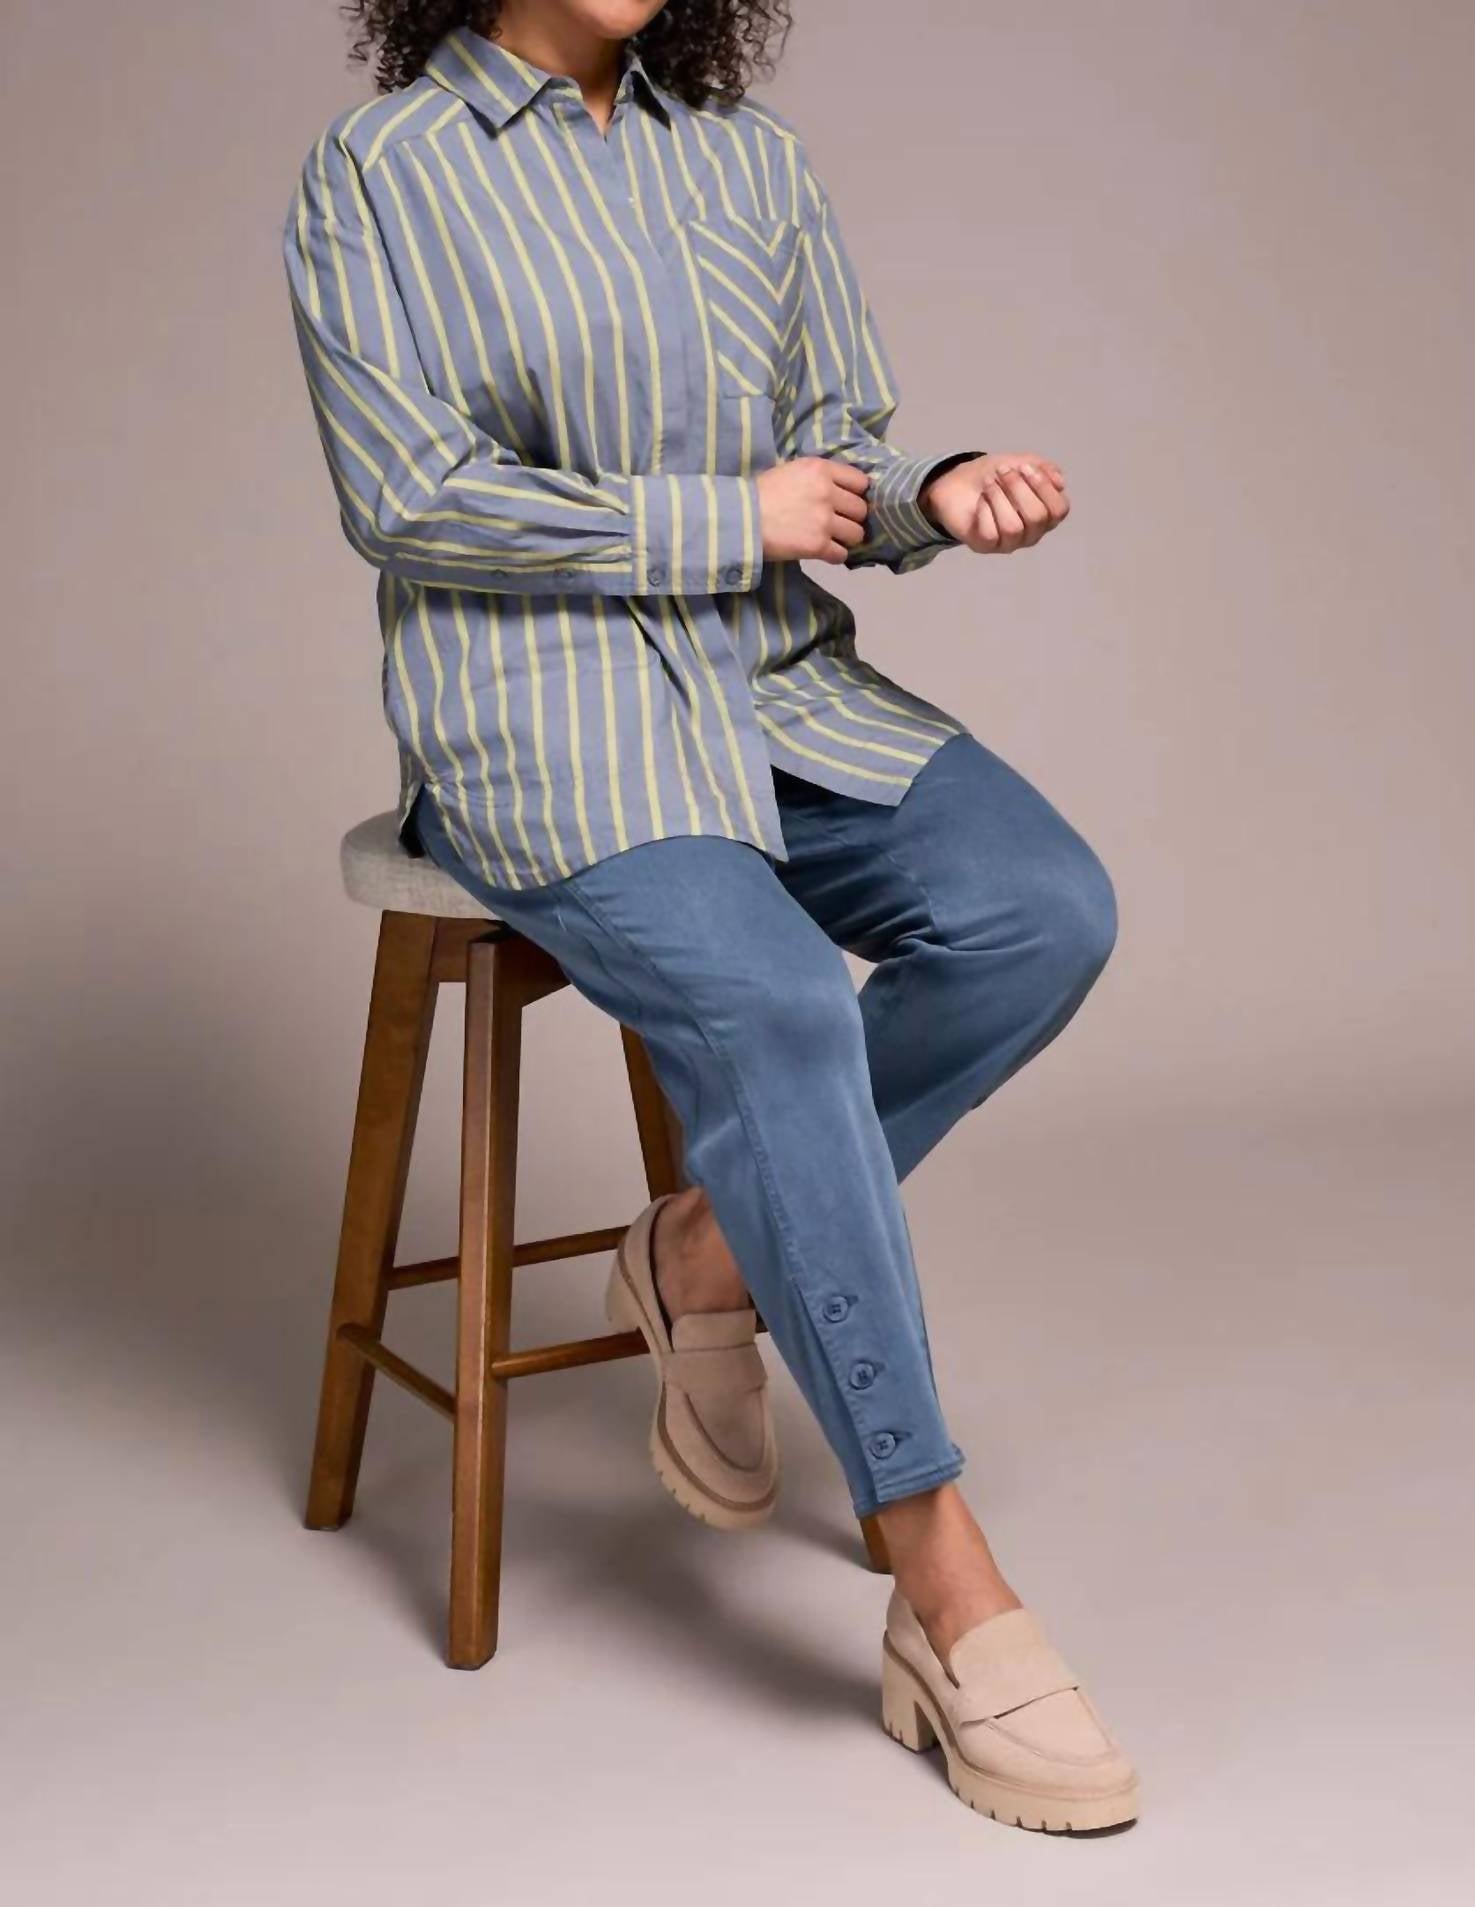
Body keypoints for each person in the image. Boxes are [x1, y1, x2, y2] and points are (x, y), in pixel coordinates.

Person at [283, 0, 1139, 1833]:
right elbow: (410, 501)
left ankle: (701, 1254)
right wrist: (718, 515)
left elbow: (838, 457)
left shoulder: (750, 161)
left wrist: (931, 496)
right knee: (782, 1008)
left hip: (776, 692)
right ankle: (945, 1578)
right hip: (548, 727)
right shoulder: (380, 172)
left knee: (1044, 909)